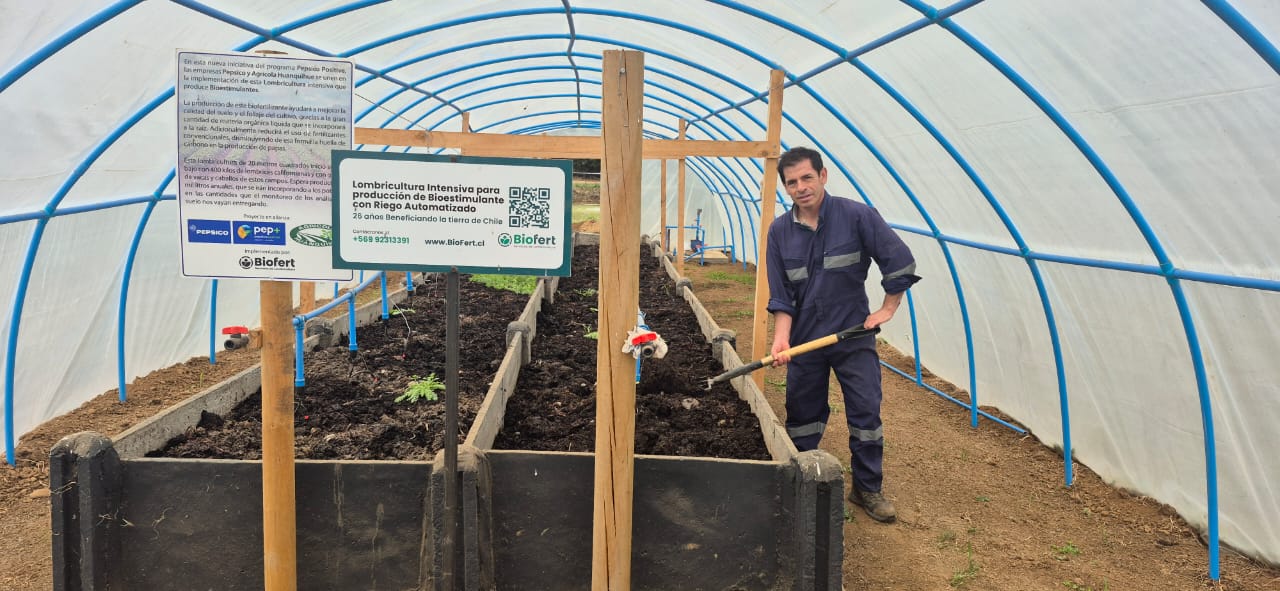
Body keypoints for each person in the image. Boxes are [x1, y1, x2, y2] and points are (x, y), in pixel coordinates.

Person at [765, 147, 920, 523]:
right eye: (792, 182)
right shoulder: (780, 232)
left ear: (823, 175)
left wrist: (887, 309)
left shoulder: (856, 216)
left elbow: (898, 260)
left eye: (807, 177)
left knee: (865, 410)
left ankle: (866, 488)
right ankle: (801, 480)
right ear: (785, 187)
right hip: (806, 341)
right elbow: (782, 295)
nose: (801, 187)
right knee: (803, 414)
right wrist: (782, 338)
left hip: (852, 336)